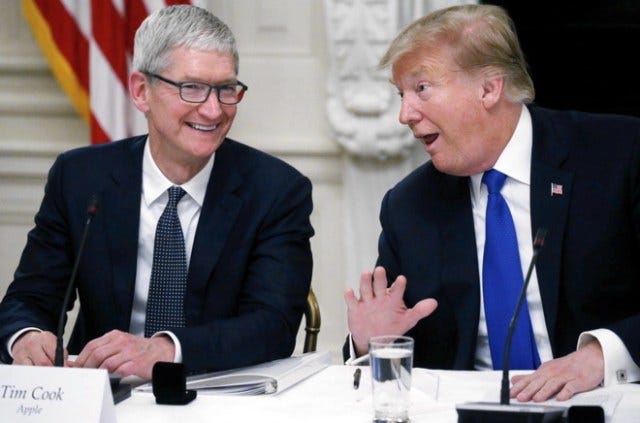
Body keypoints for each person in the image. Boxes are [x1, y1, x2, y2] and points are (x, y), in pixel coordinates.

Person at [344, 4, 640, 402]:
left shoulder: (618, 155)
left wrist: (600, 356)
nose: (404, 115)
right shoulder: (409, 206)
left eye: (422, 89)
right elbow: (406, 348)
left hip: (605, 399)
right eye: (401, 94)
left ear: (488, 88)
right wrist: (369, 345)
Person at [0, 5, 313, 380]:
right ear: (141, 91)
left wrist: (166, 350)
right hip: (104, 391)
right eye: (191, 87)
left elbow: (273, 325)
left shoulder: (276, 190)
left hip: (213, 391)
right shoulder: (81, 177)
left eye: (226, 89)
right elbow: (31, 298)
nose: (213, 110)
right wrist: (26, 337)